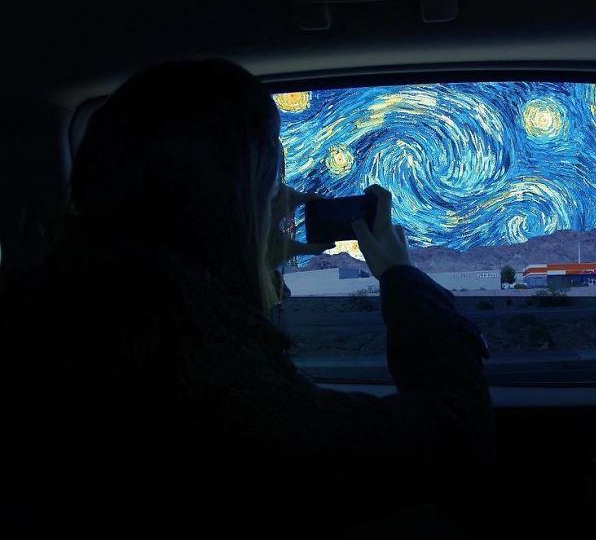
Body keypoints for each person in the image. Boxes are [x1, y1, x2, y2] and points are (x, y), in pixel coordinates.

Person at [1, 60, 494, 539]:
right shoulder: (206, 374)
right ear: (230, 199)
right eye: (269, 182)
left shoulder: (66, 311)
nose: (280, 198)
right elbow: (453, 433)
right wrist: (400, 276)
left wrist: (259, 256)